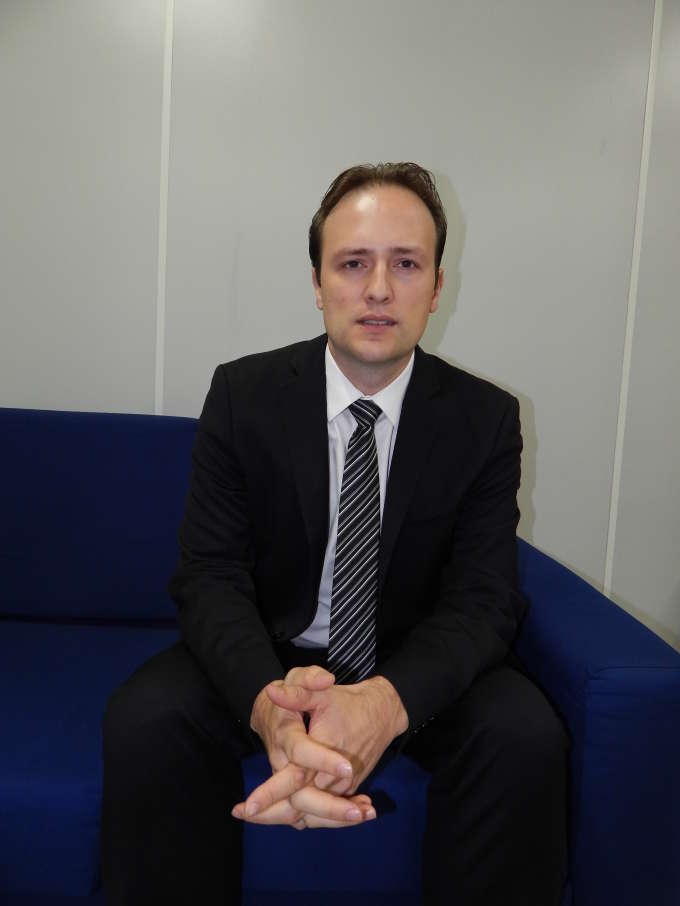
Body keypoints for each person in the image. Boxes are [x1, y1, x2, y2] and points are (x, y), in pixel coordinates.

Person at [101, 162, 569, 905]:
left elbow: (484, 599)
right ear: (318, 283)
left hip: (409, 661)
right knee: (146, 717)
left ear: (436, 287)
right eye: (353, 263)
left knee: (523, 735)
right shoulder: (243, 396)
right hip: (273, 656)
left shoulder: (484, 419)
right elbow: (210, 576)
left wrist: (383, 703)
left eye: (405, 264)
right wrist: (271, 710)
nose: (378, 289)